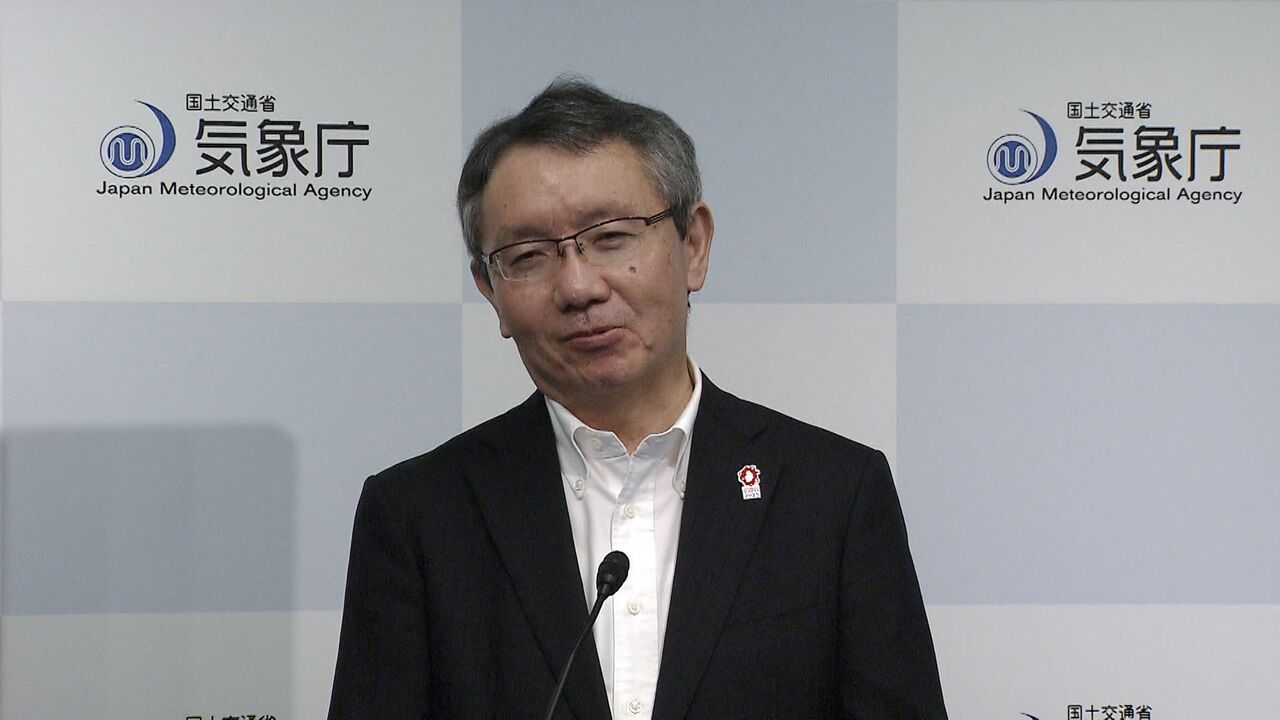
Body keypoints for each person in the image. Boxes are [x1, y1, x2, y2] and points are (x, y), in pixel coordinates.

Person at [328, 77, 947, 720]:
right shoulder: (418, 515)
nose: (579, 287)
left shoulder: (833, 494)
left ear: (693, 246)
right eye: (529, 255)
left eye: (611, 237)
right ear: (491, 291)